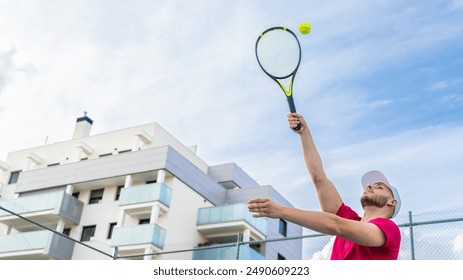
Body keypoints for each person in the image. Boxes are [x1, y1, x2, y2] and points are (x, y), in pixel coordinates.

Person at [248, 113, 401, 260]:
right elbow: (319, 178)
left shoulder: (389, 229)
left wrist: (281, 211)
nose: (369, 186)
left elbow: (336, 225)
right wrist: (304, 133)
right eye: (370, 185)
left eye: (379, 186)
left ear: (392, 202)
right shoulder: (349, 219)